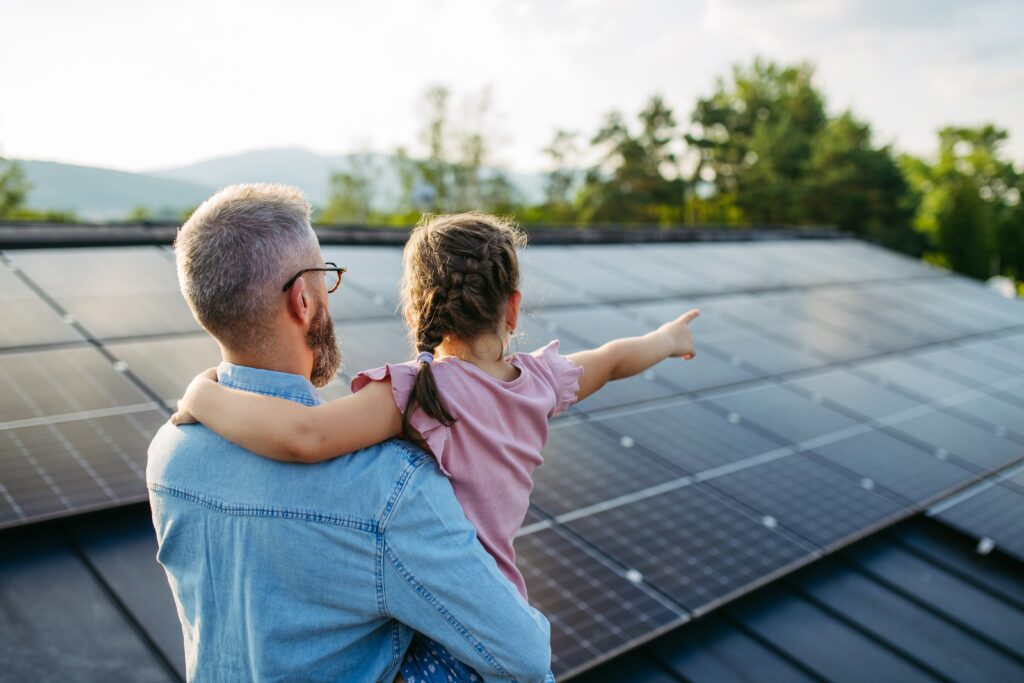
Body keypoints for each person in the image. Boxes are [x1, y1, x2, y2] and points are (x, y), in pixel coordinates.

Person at [173, 212, 700, 682]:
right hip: (491, 611)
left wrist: (202, 394)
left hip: (446, 642)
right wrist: (668, 339)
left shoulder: (418, 393)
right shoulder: (541, 381)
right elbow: (612, 359)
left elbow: (304, 436)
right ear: (511, 310)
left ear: (417, 312)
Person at [147, 185, 553, 683]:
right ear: (302, 300)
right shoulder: (390, 487)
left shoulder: (168, 455)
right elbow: (525, 658)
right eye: (326, 278)